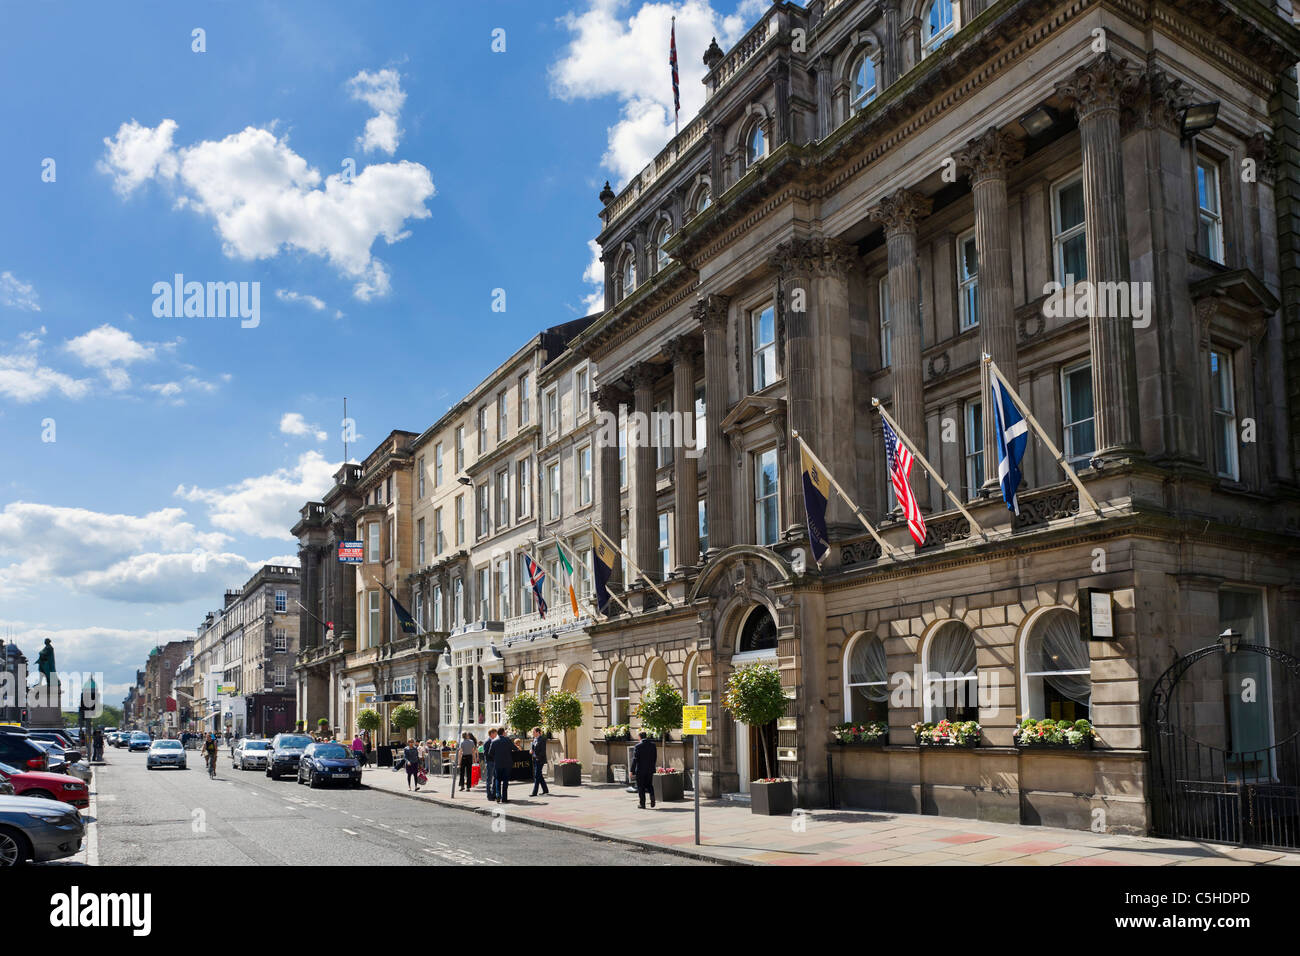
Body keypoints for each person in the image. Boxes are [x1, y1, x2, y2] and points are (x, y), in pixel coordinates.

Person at [487, 727, 517, 804]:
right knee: (505, 781)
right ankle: (504, 798)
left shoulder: (494, 741)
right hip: (507, 764)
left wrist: (496, 757)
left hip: (498, 764)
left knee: (498, 780)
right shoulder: (507, 740)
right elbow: (515, 748)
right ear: (503, 733)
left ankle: (498, 796)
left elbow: (490, 753)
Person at [632, 731, 657, 809]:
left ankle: (642, 804)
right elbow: (655, 757)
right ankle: (652, 797)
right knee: (649, 785)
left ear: (640, 737)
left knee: (641, 787)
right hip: (650, 769)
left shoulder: (638, 746)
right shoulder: (653, 745)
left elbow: (635, 759)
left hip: (640, 770)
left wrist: (632, 770)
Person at [529, 726, 549, 797]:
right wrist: (531, 751)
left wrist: (538, 757)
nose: (533, 733)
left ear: (538, 732)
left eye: (533, 732)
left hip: (540, 760)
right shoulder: (534, 739)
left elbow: (543, 751)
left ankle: (534, 792)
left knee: (537, 776)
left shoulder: (542, 739)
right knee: (539, 775)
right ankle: (545, 790)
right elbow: (533, 748)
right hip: (534, 759)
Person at [482, 728, 499, 800]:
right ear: (492, 733)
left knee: (495, 778)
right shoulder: (487, 742)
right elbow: (485, 753)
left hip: (495, 762)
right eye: (495, 733)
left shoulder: (494, 741)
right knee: (489, 779)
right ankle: (489, 795)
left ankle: (494, 794)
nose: (496, 735)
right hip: (490, 762)